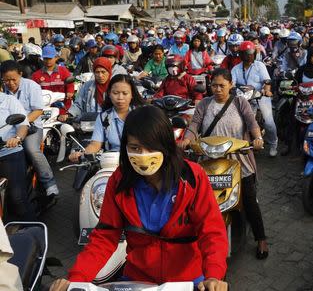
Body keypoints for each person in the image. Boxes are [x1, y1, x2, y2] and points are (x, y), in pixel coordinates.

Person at [49, 105, 229, 291]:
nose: (142, 155)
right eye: (135, 148)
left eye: (151, 147)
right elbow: (104, 237)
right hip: (138, 280)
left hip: (188, 282)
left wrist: (213, 276)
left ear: (166, 144)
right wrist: (76, 279)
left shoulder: (192, 177)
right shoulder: (119, 181)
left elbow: (212, 232)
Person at [180, 68, 269, 259]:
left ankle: (261, 239)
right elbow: (194, 125)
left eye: (222, 85)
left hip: (239, 159)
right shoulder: (204, 104)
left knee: (250, 200)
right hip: (210, 159)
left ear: (231, 85)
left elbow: (252, 123)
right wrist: (187, 139)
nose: (218, 89)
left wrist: (258, 138)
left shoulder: (239, 102)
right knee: (198, 200)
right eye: (214, 85)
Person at [2, 60, 60, 197]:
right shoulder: (2, 89)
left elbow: (38, 111)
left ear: (20, 74)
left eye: (13, 79)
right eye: (6, 80)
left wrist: (22, 125)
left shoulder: (32, 86)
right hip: (7, 129)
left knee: (31, 150)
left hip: (32, 126)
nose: (10, 83)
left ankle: (49, 183)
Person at [68, 74, 145, 161]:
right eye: (116, 93)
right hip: (111, 163)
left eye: (125, 93)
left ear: (132, 95)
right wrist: (82, 154)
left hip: (139, 162)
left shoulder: (142, 115)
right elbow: (95, 144)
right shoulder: (103, 117)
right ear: (109, 94)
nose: (120, 97)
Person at [231, 41, 278, 157]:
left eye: (251, 53)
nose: (249, 55)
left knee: (269, 122)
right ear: (241, 54)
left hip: (260, 96)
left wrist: (266, 90)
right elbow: (231, 83)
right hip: (243, 99)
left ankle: (273, 144)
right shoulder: (236, 69)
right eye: (246, 53)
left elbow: (267, 81)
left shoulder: (259, 65)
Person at [0, 90, 34, 221]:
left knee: (17, 198)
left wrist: (17, 137)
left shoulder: (9, 100)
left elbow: (23, 125)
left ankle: (35, 233)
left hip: (8, 151)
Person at [59, 57, 113, 122]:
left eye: (103, 72)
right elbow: (78, 105)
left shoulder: (115, 87)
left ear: (109, 72)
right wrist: (69, 114)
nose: (100, 75)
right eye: (97, 72)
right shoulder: (87, 86)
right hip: (88, 125)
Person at [31, 45, 74, 114]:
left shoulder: (63, 71)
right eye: (45, 58)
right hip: (44, 109)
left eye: (50, 58)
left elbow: (70, 85)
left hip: (63, 107)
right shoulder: (36, 75)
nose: (48, 61)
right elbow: (32, 91)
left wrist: (70, 92)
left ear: (56, 58)